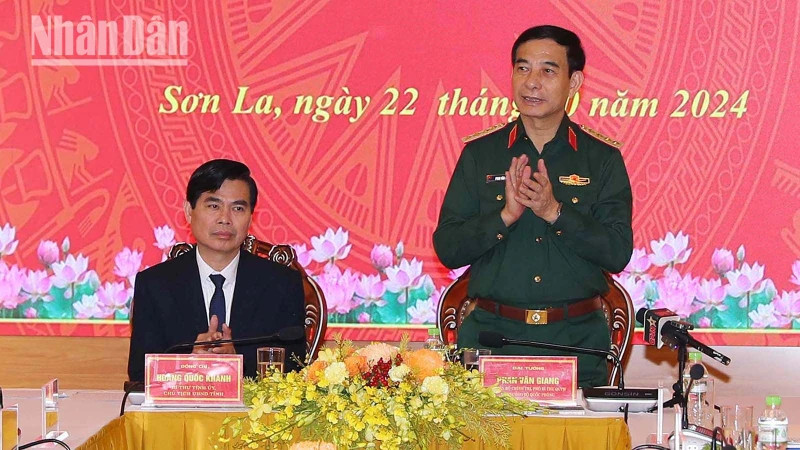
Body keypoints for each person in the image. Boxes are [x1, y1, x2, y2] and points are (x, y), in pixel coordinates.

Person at [433, 25, 633, 387]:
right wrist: (505, 217)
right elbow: (448, 248)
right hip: (492, 341)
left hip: (576, 344)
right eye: (522, 68)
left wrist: (555, 212)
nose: (532, 82)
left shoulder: (601, 159)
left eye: (548, 70)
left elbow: (617, 253)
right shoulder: (480, 154)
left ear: (574, 82)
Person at [127, 159, 306, 382]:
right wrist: (189, 364)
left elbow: (295, 370)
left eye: (238, 208)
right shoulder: (155, 284)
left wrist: (236, 364)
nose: (225, 219)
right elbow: (139, 373)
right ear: (189, 211)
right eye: (213, 206)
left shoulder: (282, 284)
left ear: (251, 217)